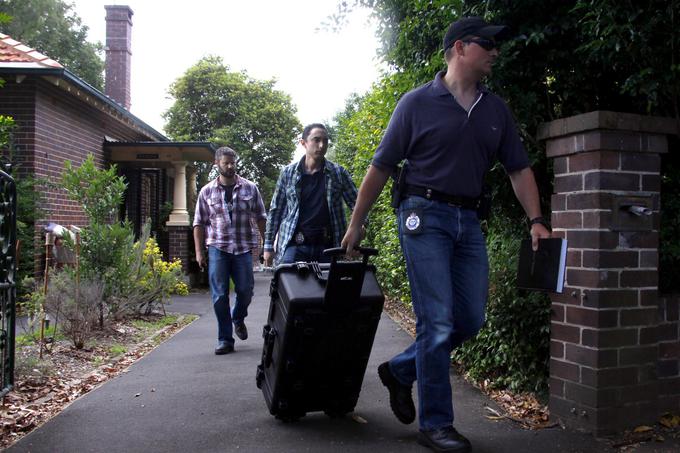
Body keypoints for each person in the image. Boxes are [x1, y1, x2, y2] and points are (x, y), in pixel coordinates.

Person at [341, 16, 551, 453]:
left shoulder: (496, 110)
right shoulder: (416, 103)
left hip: (468, 221)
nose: (496, 51)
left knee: (469, 318)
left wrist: (536, 219)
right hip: (423, 216)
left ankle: (401, 370)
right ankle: (436, 425)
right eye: (488, 43)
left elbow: (518, 169)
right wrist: (357, 221)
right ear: (459, 47)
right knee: (436, 321)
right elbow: (381, 166)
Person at [194, 146, 267, 355]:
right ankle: (225, 339)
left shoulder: (250, 188)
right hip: (218, 248)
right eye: (225, 162)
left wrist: (267, 245)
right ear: (217, 164)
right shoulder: (206, 191)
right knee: (219, 296)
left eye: (232, 162)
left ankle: (238, 317)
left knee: (245, 290)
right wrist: (199, 252)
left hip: (243, 248)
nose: (230, 166)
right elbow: (198, 223)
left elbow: (261, 217)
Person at [263, 123, 360, 265]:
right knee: (286, 282)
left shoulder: (338, 173)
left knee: (329, 287)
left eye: (325, 141)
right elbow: (276, 210)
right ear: (304, 143)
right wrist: (268, 246)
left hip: (329, 246)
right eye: (316, 140)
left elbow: (358, 204)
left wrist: (359, 228)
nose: (321, 145)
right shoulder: (288, 174)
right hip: (294, 245)